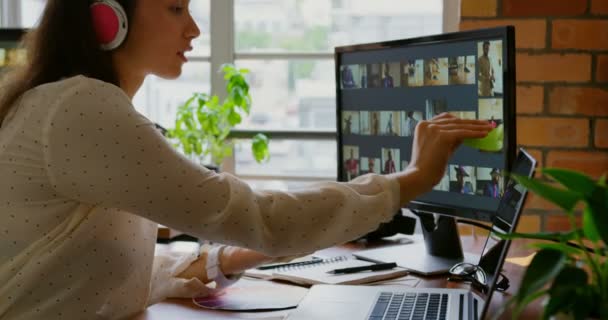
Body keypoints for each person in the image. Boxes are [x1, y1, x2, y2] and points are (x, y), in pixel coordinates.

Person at [0, 1, 492, 318]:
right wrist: (407, 180)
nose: (193, 28)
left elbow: (97, 274)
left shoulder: (63, 104)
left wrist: (233, 257)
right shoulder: (80, 109)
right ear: (107, 17)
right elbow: (261, 217)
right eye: (175, 7)